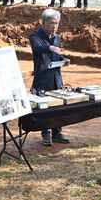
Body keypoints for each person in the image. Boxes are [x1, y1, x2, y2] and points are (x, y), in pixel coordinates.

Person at [29, 8, 71, 146]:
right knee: (45, 107)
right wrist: (50, 48)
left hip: (56, 78)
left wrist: (64, 59)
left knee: (58, 106)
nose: (54, 26)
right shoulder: (35, 37)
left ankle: (57, 132)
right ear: (44, 22)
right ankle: (45, 133)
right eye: (52, 23)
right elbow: (37, 49)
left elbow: (57, 55)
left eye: (57, 23)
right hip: (42, 79)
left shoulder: (57, 38)